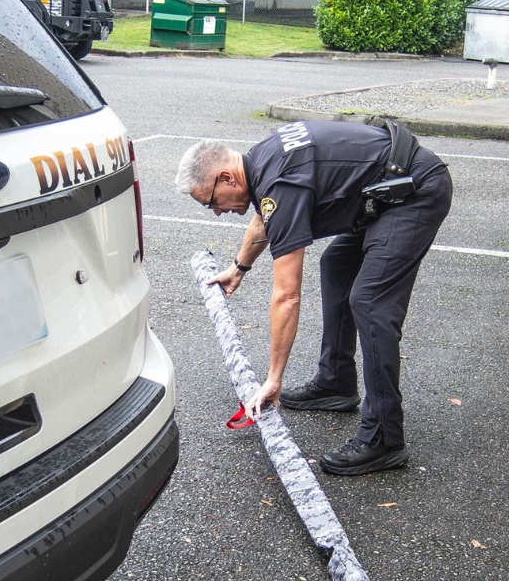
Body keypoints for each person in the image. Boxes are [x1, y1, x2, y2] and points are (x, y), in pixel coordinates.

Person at [176, 119, 452, 475]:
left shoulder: (279, 181)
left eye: (210, 202)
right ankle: (335, 383)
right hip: (382, 191)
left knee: (370, 302)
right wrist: (239, 267)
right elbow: (265, 217)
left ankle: (384, 437)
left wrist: (273, 378)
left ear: (227, 178)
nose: (216, 211)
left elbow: (287, 296)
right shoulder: (261, 160)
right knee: (336, 264)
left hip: (413, 192)